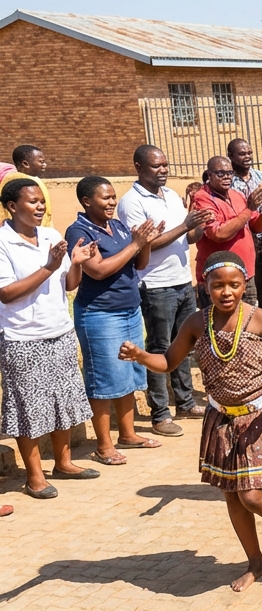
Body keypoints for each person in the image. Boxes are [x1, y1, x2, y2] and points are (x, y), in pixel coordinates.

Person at [119, 251, 262, 591]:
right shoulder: (197, 322)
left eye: (234, 285)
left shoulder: (260, 319)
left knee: (251, 496)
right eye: (218, 285)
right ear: (204, 286)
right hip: (220, 417)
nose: (226, 292)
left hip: (259, 415)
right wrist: (139, 356)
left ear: (244, 285)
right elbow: (167, 362)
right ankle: (255, 563)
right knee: (231, 493)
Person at [0, 177, 100, 498]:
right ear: (13, 207)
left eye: (42, 201)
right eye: (32, 201)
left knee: (63, 399)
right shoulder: (2, 242)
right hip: (21, 338)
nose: (40, 206)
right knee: (28, 406)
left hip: (59, 331)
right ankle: (34, 477)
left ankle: (64, 463)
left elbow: (68, 284)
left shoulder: (51, 236)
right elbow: (6, 293)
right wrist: (48, 266)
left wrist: (77, 264)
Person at [117, 145, 213, 438]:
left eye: (165, 165)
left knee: (183, 343)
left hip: (182, 280)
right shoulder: (131, 202)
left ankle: (184, 402)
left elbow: (186, 236)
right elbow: (144, 245)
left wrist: (199, 226)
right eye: (156, 166)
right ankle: (160, 413)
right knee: (159, 347)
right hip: (155, 284)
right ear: (139, 167)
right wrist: (185, 225)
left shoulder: (170, 195)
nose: (163, 170)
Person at [67, 176, 163, 466]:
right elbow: (97, 270)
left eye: (113, 197)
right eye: (105, 198)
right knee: (104, 379)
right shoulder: (79, 231)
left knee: (128, 374)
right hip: (100, 315)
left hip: (129, 310)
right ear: (87, 201)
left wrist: (145, 242)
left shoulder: (119, 226)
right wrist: (135, 244)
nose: (112, 202)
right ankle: (104, 445)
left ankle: (128, 434)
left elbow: (140, 264)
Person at [192, 157, 262, 309]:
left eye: (229, 173)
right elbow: (218, 234)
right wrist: (249, 209)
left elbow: (256, 227)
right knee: (221, 327)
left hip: (245, 274)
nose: (227, 177)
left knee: (246, 324)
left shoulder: (236, 194)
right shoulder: (202, 198)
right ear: (209, 174)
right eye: (221, 173)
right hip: (220, 278)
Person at [226, 139, 262, 304]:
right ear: (231, 156)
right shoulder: (226, 181)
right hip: (240, 240)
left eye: (249, 153)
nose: (248, 157)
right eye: (242, 154)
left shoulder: (261, 177)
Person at [5, 146, 53, 226]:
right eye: (41, 162)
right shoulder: (17, 183)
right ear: (25, 164)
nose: (44, 165)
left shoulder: (34, 180)